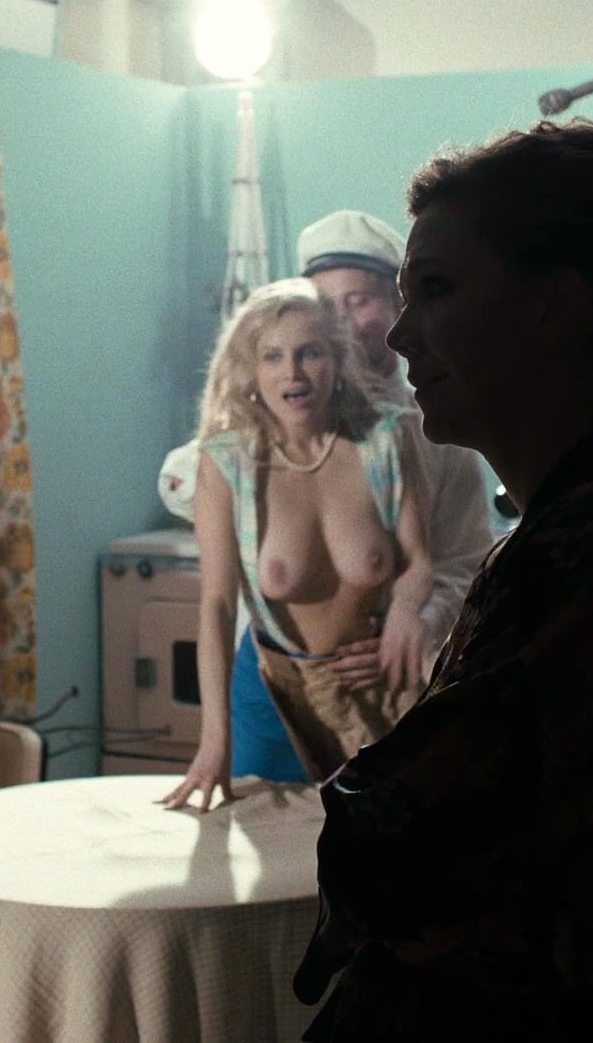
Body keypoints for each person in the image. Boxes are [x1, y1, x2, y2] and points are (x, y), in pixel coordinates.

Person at [290, 121, 593, 1041]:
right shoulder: (571, 522)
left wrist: (358, 799)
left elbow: (399, 846)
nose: (402, 334)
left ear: (554, 306)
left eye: (437, 289)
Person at [159, 210, 495, 784]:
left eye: (358, 301)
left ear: (399, 305)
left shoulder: (429, 428)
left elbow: (466, 563)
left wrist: (415, 620)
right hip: (275, 670)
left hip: (388, 671)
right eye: (325, 302)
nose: (342, 319)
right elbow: (185, 481)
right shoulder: (251, 434)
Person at [158, 278, 434, 813]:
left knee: (399, 846)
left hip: (377, 682)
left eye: (310, 353)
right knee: (272, 854)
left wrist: (405, 609)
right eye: (274, 356)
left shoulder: (387, 440)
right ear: (252, 371)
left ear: (336, 360)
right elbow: (217, 604)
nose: (294, 373)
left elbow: (420, 562)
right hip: (277, 696)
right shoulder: (227, 463)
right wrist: (214, 739)